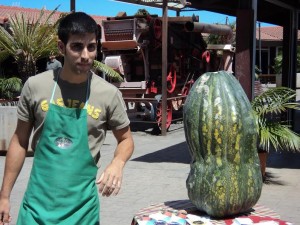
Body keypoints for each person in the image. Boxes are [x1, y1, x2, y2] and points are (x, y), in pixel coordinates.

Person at [0, 12, 134, 225]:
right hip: (36, 210)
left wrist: (117, 162)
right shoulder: (36, 86)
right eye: (77, 47)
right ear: (61, 48)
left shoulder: (108, 94)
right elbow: (20, 141)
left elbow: (126, 139)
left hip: (82, 213)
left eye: (91, 47)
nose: (85, 55)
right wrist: (4, 196)